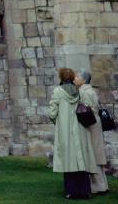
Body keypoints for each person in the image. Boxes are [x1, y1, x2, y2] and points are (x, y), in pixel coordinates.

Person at [48, 67, 97, 199]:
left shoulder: (57, 91)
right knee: (82, 159)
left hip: (65, 131)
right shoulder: (80, 91)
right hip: (80, 128)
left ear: (61, 77)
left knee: (68, 159)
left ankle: (71, 192)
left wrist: (58, 122)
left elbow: (52, 113)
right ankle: (85, 191)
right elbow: (88, 106)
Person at [74, 70, 109, 196]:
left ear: (83, 80)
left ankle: (98, 186)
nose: (75, 78)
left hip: (90, 126)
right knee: (96, 155)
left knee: (92, 155)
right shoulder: (90, 90)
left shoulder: (84, 91)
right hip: (94, 124)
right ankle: (102, 185)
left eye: (77, 77)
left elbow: (86, 111)